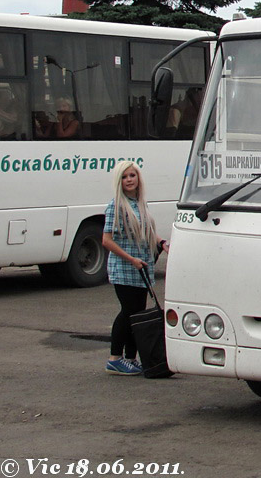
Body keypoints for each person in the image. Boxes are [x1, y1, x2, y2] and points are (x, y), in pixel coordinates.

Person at [101, 161, 168, 376]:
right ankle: (114, 358)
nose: (129, 180)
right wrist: (130, 259)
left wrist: (162, 243)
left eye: (132, 175)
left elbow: (147, 231)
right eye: (124, 177)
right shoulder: (116, 205)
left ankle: (131, 358)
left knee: (137, 315)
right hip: (124, 268)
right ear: (119, 181)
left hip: (141, 268)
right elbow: (106, 240)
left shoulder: (140, 204)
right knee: (128, 312)